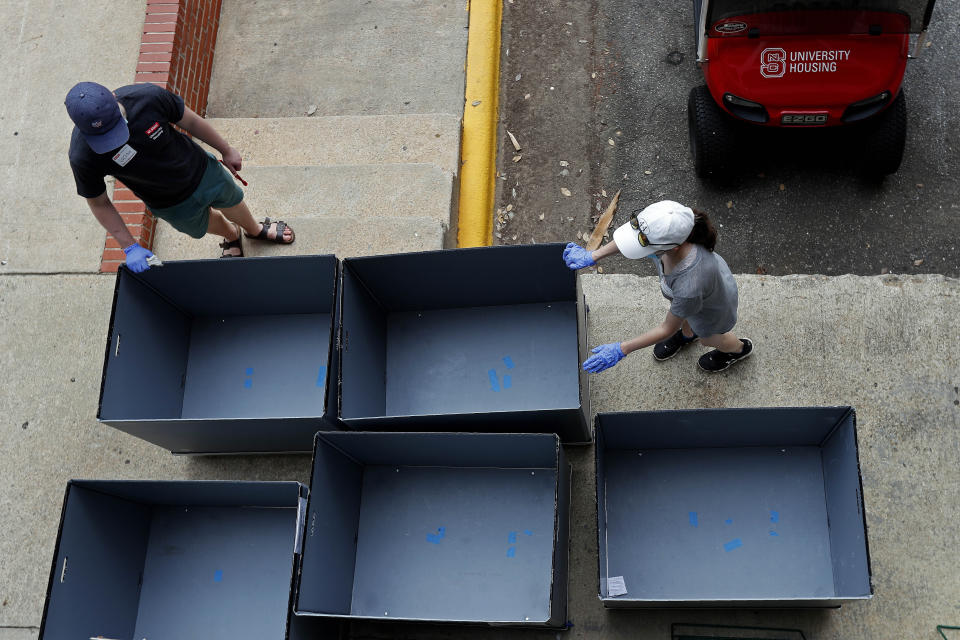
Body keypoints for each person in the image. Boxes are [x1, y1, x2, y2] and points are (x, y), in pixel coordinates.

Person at [65, 81, 295, 272]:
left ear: (115, 99)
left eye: (115, 127)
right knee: (202, 224)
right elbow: (99, 202)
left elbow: (191, 121)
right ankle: (231, 234)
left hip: (201, 170)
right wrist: (129, 246)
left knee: (232, 200)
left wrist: (225, 150)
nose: (116, 139)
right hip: (167, 202)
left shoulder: (148, 97)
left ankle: (254, 230)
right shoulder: (82, 156)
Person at [563, 200, 752, 373]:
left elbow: (667, 328)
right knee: (685, 318)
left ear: (674, 247)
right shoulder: (671, 226)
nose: (640, 243)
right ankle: (688, 335)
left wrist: (622, 349)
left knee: (709, 339)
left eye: (645, 244)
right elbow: (634, 237)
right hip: (693, 301)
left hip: (711, 310)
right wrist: (593, 256)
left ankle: (738, 349)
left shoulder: (689, 286)